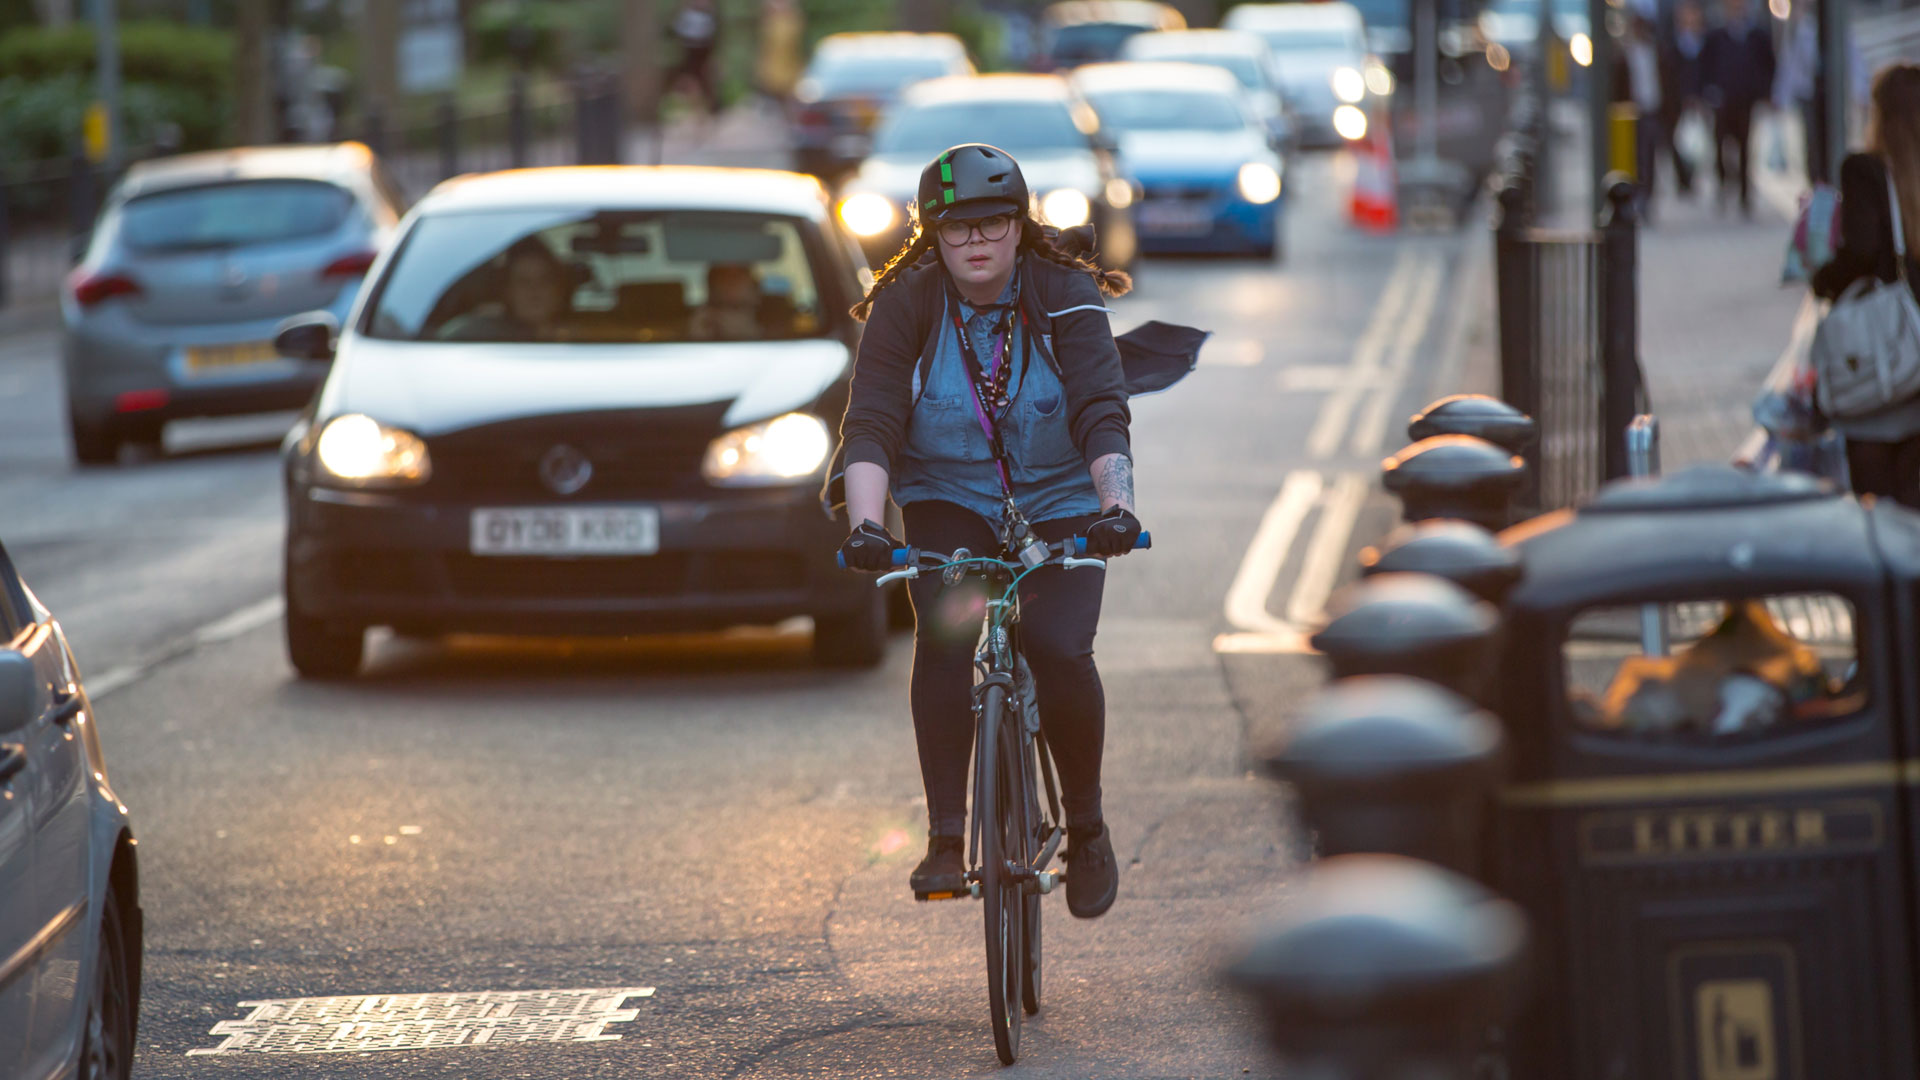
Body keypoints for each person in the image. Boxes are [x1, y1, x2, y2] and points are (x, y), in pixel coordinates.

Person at [835, 144, 1141, 920]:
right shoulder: (907, 300)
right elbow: (870, 424)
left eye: (993, 223)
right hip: (948, 494)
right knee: (944, 632)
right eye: (956, 227)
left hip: (1063, 495)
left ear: (1019, 224)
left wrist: (1116, 509)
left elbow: (1101, 408)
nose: (976, 241)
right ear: (932, 236)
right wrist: (870, 526)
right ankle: (946, 834)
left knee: (1061, 645)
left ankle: (1088, 826)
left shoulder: (1062, 290)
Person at [1812, 63, 1920, 506]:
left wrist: (1821, 277)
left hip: (1883, 365)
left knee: (1877, 514)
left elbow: (1859, 251)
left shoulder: (1866, 171)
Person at [1701, 0, 1776, 217]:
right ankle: (1723, 187)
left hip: (1745, 100)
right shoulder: (1716, 36)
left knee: (1745, 148)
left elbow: (1768, 65)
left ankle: (1745, 194)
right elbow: (1705, 65)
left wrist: (1765, 93)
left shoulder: (1757, 36)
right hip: (1722, 101)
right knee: (1720, 146)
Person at [669, 0, 722, 118]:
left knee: (706, 81)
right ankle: (688, 111)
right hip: (689, 53)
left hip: (704, 53)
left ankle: (709, 110)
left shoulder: (710, 16)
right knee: (689, 83)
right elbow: (678, 30)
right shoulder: (686, 14)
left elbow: (713, 36)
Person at [690, 262, 764, 340]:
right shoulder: (705, 319)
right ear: (714, 285)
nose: (731, 283)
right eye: (724, 277)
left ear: (750, 283)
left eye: (737, 277)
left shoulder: (767, 314)